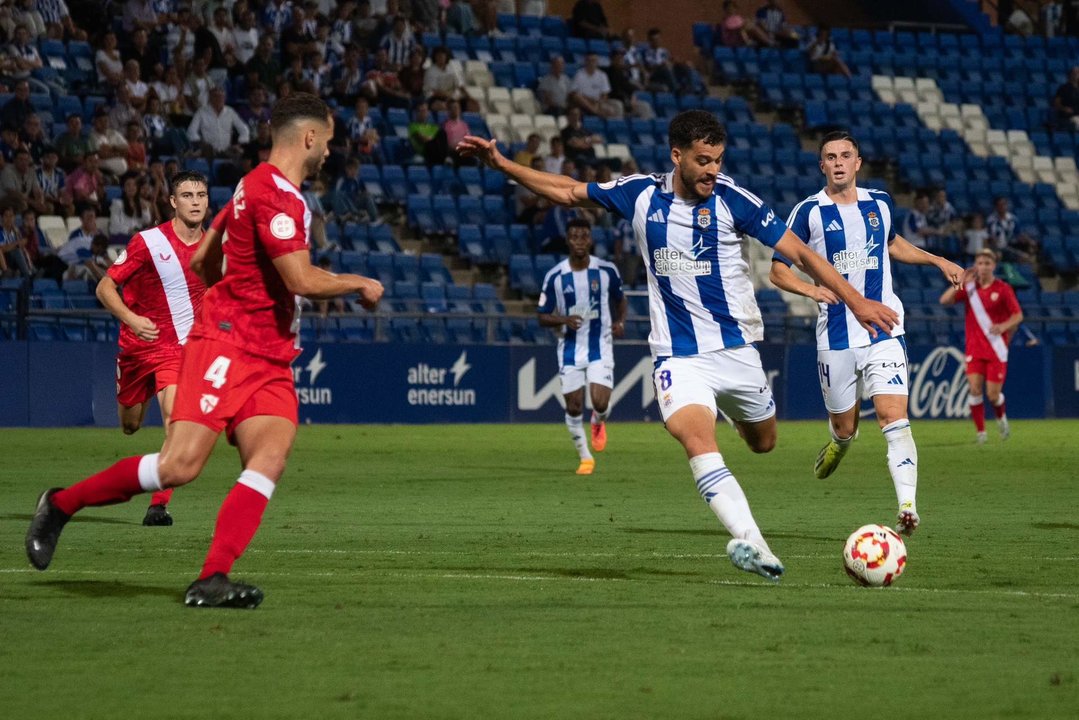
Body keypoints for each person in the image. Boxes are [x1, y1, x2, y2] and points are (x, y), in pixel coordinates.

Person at [457, 111, 898, 581]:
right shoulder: (641, 193)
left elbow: (804, 254)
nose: (713, 170)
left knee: (764, 443)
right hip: (678, 356)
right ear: (677, 156)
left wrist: (857, 302)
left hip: (737, 351)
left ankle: (727, 416)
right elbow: (567, 191)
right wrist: (503, 164)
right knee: (696, 438)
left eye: (719, 160)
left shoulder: (735, 201)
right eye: (704, 161)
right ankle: (754, 543)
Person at [26, 93, 385, 608]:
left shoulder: (248, 185)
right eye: (327, 141)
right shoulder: (278, 195)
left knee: (270, 457)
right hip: (228, 347)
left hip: (271, 357)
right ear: (308, 137)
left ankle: (212, 577)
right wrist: (359, 283)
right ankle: (59, 505)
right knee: (179, 466)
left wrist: (237, 286)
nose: (329, 151)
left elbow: (203, 261)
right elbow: (301, 278)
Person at [769, 130, 963, 537]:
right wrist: (811, 289)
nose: (838, 162)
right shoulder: (808, 212)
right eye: (830, 157)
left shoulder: (880, 203)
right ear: (821, 165)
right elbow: (778, 269)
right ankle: (840, 443)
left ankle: (907, 506)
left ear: (858, 162)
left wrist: (936, 259)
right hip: (836, 336)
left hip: (884, 328)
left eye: (845, 155)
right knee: (844, 427)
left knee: (895, 419)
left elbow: (893, 245)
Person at [94, 171, 212, 526]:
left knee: (177, 422)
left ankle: (157, 505)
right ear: (173, 202)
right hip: (137, 344)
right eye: (187, 195)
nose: (195, 201)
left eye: (201, 195)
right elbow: (104, 288)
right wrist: (131, 319)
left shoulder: (215, 248)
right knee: (130, 426)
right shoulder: (148, 242)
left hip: (178, 350)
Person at [537, 218, 626, 475]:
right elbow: (541, 315)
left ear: (591, 239)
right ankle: (585, 457)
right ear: (567, 240)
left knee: (599, 402)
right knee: (574, 406)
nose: (579, 241)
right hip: (569, 349)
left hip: (601, 345)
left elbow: (621, 300)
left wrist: (620, 321)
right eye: (574, 236)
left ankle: (599, 421)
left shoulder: (607, 271)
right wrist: (564, 319)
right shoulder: (555, 276)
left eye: (584, 236)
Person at [939, 249, 1023, 444]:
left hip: (996, 349)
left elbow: (1018, 316)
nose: (983, 267)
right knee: (974, 390)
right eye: (980, 263)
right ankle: (981, 433)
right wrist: (963, 279)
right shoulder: (970, 289)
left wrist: (1002, 327)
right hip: (974, 349)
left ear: (993, 266)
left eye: (987, 263)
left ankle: (1001, 418)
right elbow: (945, 300)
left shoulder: (1003, 289)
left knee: (993, 395)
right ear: (976, 266)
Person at [1051, 66, 1079, 130]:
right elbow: (1056, 103)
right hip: (1070, 117)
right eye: (1076, 73)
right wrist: (1064, 109)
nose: (1077, 75)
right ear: (1070, 75)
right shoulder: (1063, 88)